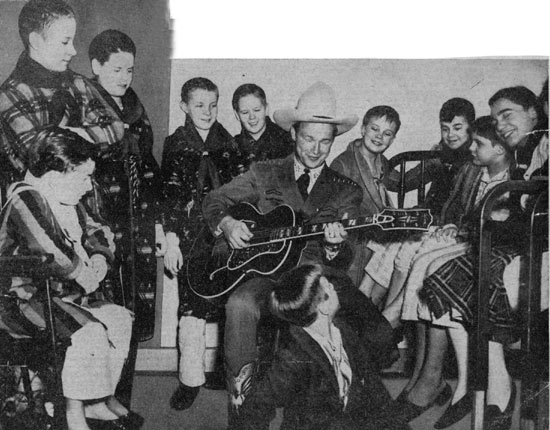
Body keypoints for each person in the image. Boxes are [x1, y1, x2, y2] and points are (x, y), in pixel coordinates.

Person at [202, 82, 396, 423]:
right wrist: (229, 224)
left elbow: (346, 255)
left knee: (377, 334)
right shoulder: (265, 172)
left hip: (315, 276)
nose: (316, 149)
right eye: (308, 139)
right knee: (239, 305)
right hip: (264, 274)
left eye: (325, 141)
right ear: (294, 133)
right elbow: (214, 200)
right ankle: (244, 403)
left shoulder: (345, 189)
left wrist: (335, 246)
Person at [400, 86, 548, 428]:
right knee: (445, 274)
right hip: (522, 245)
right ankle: (484, 386)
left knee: (461, 273)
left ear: (534, 113)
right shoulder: (528, 152)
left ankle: (496, 390)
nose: (500, 124)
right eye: (494, 117)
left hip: (537, 252)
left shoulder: (539, 150)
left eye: (506, 115)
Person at [0, 127, 140, 430]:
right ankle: (73, 413)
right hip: (17, 301)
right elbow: (49, 252)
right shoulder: (25, 198)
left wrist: (101, 255)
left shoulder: (66, 197)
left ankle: (96, 401)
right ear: (53, 175)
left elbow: (96, 228)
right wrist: (84, 273)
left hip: (58, 298)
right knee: (87, 332)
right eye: (83, 178)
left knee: (118, 319)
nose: (89, 187)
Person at [236, 264, 411, 430]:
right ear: (324, 306)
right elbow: (257, 404)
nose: (335, 288)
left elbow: (373, 385)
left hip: (350, 419)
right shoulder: (292, 357)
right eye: (329, 286)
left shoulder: (344, 329)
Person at [161, 77, 241, 410]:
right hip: (191, 236)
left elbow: (241, 188)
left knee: (228, 304)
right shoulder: (176, 143)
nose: (206, 112)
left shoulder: (229, 143)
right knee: (192, 306)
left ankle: (226, 371)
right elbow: (169, 195)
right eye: (198, 105)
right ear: (184, 106)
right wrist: (171, 239)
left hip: (225, 236)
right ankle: (190, 379)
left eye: (212, 104)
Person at [87, 29, 161, 338]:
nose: (124, 77)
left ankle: (125, 386)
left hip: (138, 224)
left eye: (128, 70)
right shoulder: (84, 107)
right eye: (116, 69)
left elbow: (148, 168)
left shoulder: (136, 111)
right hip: (101, 221)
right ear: (96, 66)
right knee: (104, 316)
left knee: (135, 313)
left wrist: (157, 223)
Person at [0, 0, 124, 182]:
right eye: (65, 42)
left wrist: (64, 136)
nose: (73, 51)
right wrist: (91, 137)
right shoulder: (9, 96)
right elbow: (42, 160)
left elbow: (116, 127)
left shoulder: (77, 83)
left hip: (89, 200)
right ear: (36, 41)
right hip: (41, 206)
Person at [232, 83, 293, 168]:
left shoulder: (287, 142)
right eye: (245, 112)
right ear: (237, 114)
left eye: (257, 110)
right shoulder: (231, 148)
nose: (252, 117)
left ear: (266, 109)